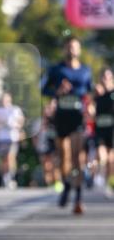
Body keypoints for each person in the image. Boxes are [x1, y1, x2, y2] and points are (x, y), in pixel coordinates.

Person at [42, 37, 93, 214]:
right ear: (65, 49)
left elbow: (89, 91)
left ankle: (78, 198)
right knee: (64, 157)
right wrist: (57, 91)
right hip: (61, 117)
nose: (72, 50)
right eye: (69, 47)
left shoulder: (86, 70)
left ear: (79, 50)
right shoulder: (56, 69)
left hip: (78, 118)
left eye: (75, 47)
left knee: (77, 157)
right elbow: (43, 89)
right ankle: (66, 185)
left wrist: (90, 106)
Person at [0, 92, 25, 188]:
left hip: (12, 137)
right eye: (3, 99)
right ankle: (5, 177)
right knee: (3, 159)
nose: (4, 101)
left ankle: (11, 177)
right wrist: (1, 123)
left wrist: (16, 126)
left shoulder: (15, 109)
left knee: (11, 157)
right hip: (1, 139)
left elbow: (21, 121)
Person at [93, 67, 114, 196]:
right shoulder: (96, 94)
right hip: (100, 129)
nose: (105, 79)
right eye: (103, 77)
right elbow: (90, 110)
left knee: (111, 160)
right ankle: (99, 175)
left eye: (107, 77)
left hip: (112, 130)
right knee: (102, 156)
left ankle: (108, 182)